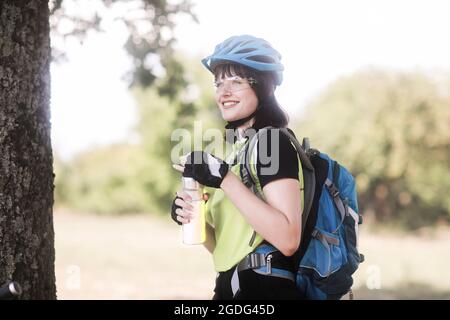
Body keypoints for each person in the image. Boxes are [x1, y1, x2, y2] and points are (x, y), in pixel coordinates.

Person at [171, 35, 304, 300]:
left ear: (263, 88)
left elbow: (288, 240)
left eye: (236, 82)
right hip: (231, 285)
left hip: (265, 289)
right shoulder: (236, 150)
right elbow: (225, 249)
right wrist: (189, 216)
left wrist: (225, 179)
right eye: (218, 83)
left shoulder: (272, 142)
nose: (223, 92)